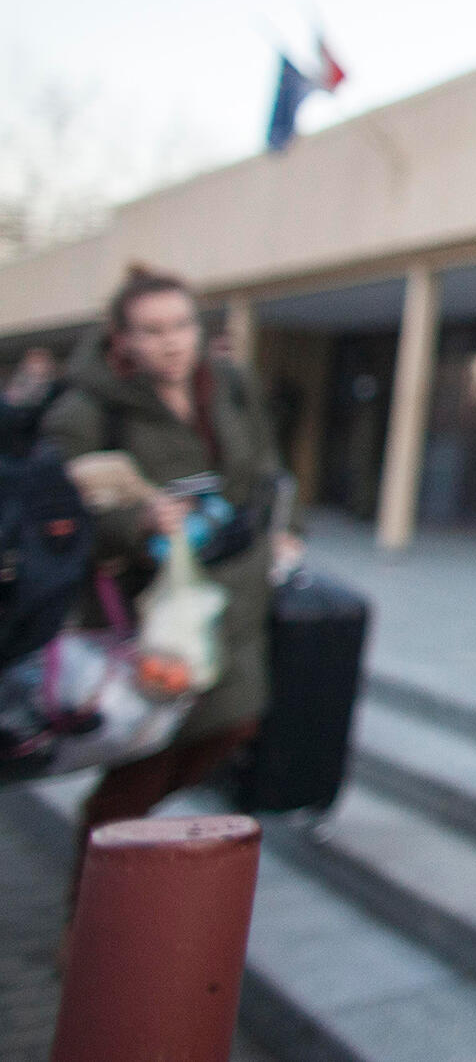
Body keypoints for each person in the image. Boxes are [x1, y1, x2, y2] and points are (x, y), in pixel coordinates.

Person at [42, 264, 292, 903]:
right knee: (143, 764)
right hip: (153, 613)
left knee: (235, 724)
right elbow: (54, 516)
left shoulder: (229, 384)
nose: (172, 342)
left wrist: (289, 530)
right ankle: (92, 914)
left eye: (181, 325)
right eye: (151, 331)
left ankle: (131, 856)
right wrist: (137, 519)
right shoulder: (86, 409)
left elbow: (266, 468)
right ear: (121, 340)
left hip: (236, 595)